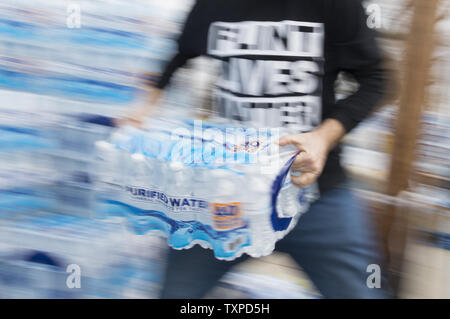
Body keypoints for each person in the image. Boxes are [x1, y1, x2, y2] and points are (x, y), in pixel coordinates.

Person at [119, 0, 391, 298]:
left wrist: (322, 137)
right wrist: (143, 107)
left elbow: (376, 80)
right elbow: (180, 53)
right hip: (228, 196)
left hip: (316, 195)